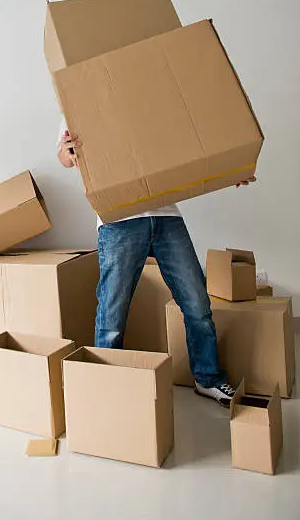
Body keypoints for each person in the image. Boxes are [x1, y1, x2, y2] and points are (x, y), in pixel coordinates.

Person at [57, 122, 256, 407]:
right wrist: (67, 153)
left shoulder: (153, 92)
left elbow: (185, 148)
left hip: (165, 214)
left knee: (196, 302)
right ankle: (106, 385)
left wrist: (227, 173)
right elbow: (64, 157)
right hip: (119, 219)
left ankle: (207, 377)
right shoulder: (82, 94)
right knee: (113, 309)